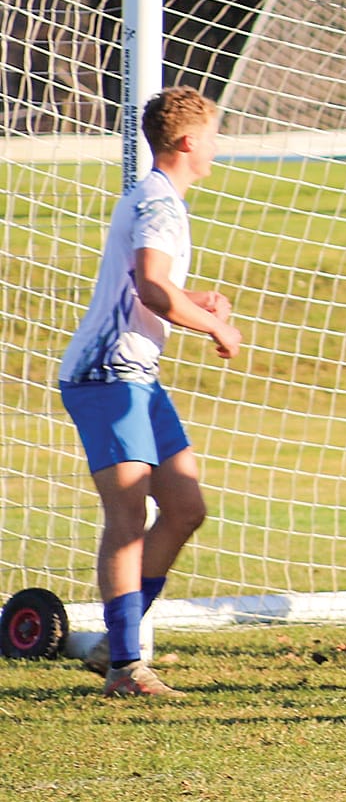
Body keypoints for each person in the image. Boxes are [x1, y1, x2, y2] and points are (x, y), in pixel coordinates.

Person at [58, 87, 244, 698]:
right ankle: (125, 667)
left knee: (186, 506)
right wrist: (213, 322)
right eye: (214, 135)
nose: (218, 146)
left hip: (137, 375)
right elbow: (152, 287)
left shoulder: (160, 201)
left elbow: (157, 289)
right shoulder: (159, 204)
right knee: (130, 513)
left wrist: (199, 302)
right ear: (190, 142)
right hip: (107, 375)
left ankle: (121, 638)